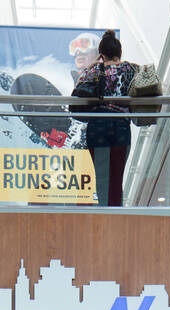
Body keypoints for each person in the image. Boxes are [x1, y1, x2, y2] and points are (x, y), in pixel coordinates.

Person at [72, 30, 136, 207]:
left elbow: (77, 89)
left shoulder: (93, 70)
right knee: (116, 176)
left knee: (101, 175)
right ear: (119, 52)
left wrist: (93, 64)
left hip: (97, 125)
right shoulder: (129, 69)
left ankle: (103, 211)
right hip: (121, 127)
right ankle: (116, 213)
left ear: (101, 53)